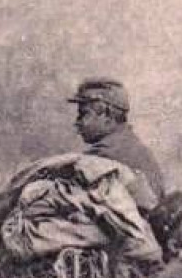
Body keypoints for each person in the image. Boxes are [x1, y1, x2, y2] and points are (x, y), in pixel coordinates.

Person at [69, 78, 167, 211]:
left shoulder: (102, 156)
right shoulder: (134, 147)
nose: (77, 122)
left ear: (108, 116)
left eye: (83, 114)